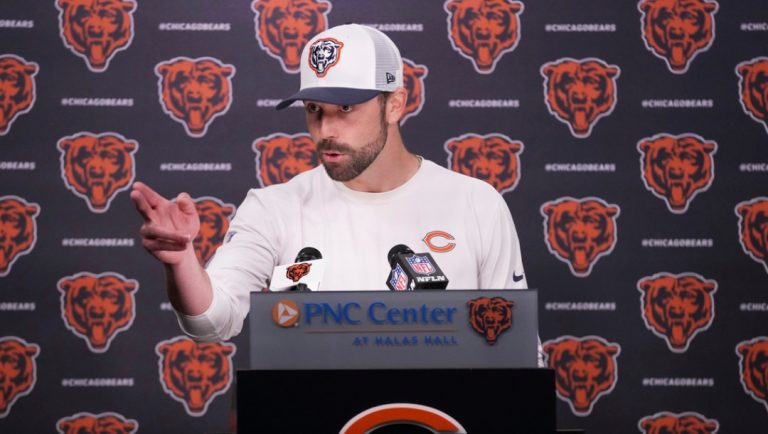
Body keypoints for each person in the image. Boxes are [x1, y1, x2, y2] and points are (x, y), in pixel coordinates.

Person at [131, 24, 532, 358]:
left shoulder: (476, 204)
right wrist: (182, 261)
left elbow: (518, 350)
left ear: (394, 105)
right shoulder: (274, 208)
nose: (326, 132)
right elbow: (212, 323)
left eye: (346, 109)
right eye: (314, 110)